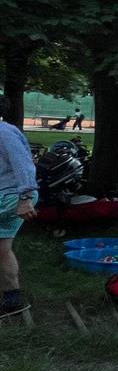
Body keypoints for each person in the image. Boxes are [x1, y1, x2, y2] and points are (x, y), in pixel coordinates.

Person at [0, 95, 38, 317]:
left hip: (12, 198)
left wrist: (25, 198)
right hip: (10, 196)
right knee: (2, 250)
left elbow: (24, 164)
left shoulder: (4, 133)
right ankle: (13, 300)